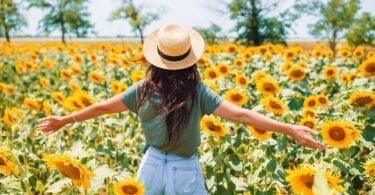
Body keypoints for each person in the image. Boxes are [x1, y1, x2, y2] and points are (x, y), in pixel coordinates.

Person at [35, 23, 326, 195]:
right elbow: (240, 114)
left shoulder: (143, 89)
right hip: (184, 168)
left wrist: (65, 119)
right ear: (190, 60)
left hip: (149, 165)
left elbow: (100, 108)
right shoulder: (198, 92)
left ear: (155, 58)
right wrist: (289, 128)